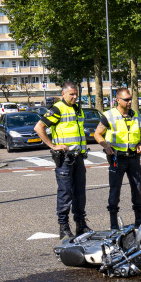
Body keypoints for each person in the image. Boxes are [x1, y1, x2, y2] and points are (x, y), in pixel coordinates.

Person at [34, 82, 90, 239]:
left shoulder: (77, 108)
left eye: (76, 94)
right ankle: (64, 227)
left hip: (78, 157)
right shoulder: (57, 108)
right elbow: (39, 127)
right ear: (63, 94)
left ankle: (81, 224)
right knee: (65, 193)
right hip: (65, 158)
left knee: (80, 193)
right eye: (71, 94)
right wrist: (53, 145)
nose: (74, 97)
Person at [94, 87, 141, 229]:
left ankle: (139, 220)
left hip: (134, 157)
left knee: (137, 188)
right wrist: (106, 146)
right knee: (115, 190)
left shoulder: (136, 115)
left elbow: (140, 133)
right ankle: (114, 223)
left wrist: (140, 144)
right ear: (118, 100)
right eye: (126, 99)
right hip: (117, 158)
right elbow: (97, 134)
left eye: (130, 99)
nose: (130, 102)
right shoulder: (109, 115)